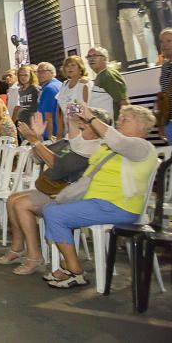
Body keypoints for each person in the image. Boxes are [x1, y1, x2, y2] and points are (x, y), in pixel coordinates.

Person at [41, 104, 159, 288]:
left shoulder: (141, 146)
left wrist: (91, 118)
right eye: (119, 118)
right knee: (50, 209)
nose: (118, 122)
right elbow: (79, 145)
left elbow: (119, 142)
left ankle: (75, 271)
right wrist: (73, 121)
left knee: (55, 214)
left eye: (125, 119)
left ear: (141, 126)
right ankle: (68, 264)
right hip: (99, 203)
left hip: (120, 206)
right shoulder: (109, 147)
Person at [0, 107, 106, 275]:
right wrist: (38, 138)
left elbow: (59, 169)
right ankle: (18, 247)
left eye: (84, 122)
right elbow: (37, 158)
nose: (80, 124)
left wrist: (35, 140)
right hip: (53, 190)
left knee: (20, 205)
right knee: (12, 199)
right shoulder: (71, 142)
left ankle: (34, 256)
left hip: (68, 195)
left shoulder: (92, 148)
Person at [85, 47, 126, 123]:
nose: (91, 59)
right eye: (89, 57)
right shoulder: (101, 75)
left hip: (112, 127)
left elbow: (123, 103)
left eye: (94, 56)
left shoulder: (108, 75)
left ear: (104, 58)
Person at [55, 55, 90, 141]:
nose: (69, 68)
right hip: (68, 131)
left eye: (73, 65)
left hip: (82, 131)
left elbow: (87, 109)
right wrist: (59, 132)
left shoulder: (84, 84)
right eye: (67, 66)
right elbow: (59, 110)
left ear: (80, 67)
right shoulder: (64, 84)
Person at [36, 62, 63, 139]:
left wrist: (49, 135)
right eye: (38, 71)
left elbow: (48, 115)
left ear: (52, 72)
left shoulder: (49, 88)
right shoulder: (59, 84)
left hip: (51, 132)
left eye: (43, 71)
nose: (40, 74)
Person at [12, 64, 40, 131]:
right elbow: (22, 107)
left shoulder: (35, 89)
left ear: (31, 76)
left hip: (33, 123)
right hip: (22, 123)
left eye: (25, 75)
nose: (23, 77)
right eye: (20, 75)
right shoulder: (20, 90)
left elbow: (39, 107)